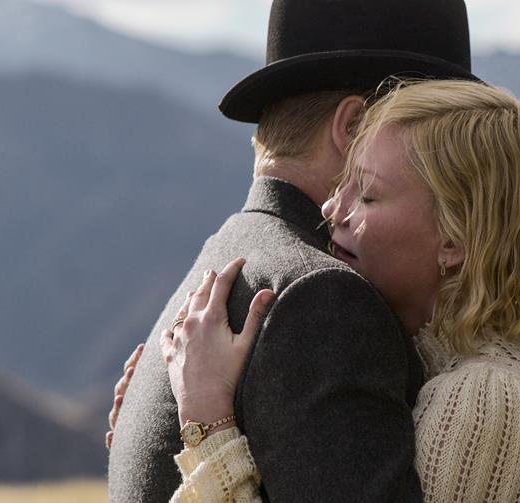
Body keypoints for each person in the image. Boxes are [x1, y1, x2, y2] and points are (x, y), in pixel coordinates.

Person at [114, 79, 520, 501]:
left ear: (455, 239)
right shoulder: (468, 370)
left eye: (367, 194)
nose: (331, 211)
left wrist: (207, 425)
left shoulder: (482, 399)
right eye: (344, 185)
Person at [106, 1, 480, 501]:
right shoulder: (321, 302)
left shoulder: (218, 269)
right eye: (437, 128)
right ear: (354, 128)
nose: (463, 161)